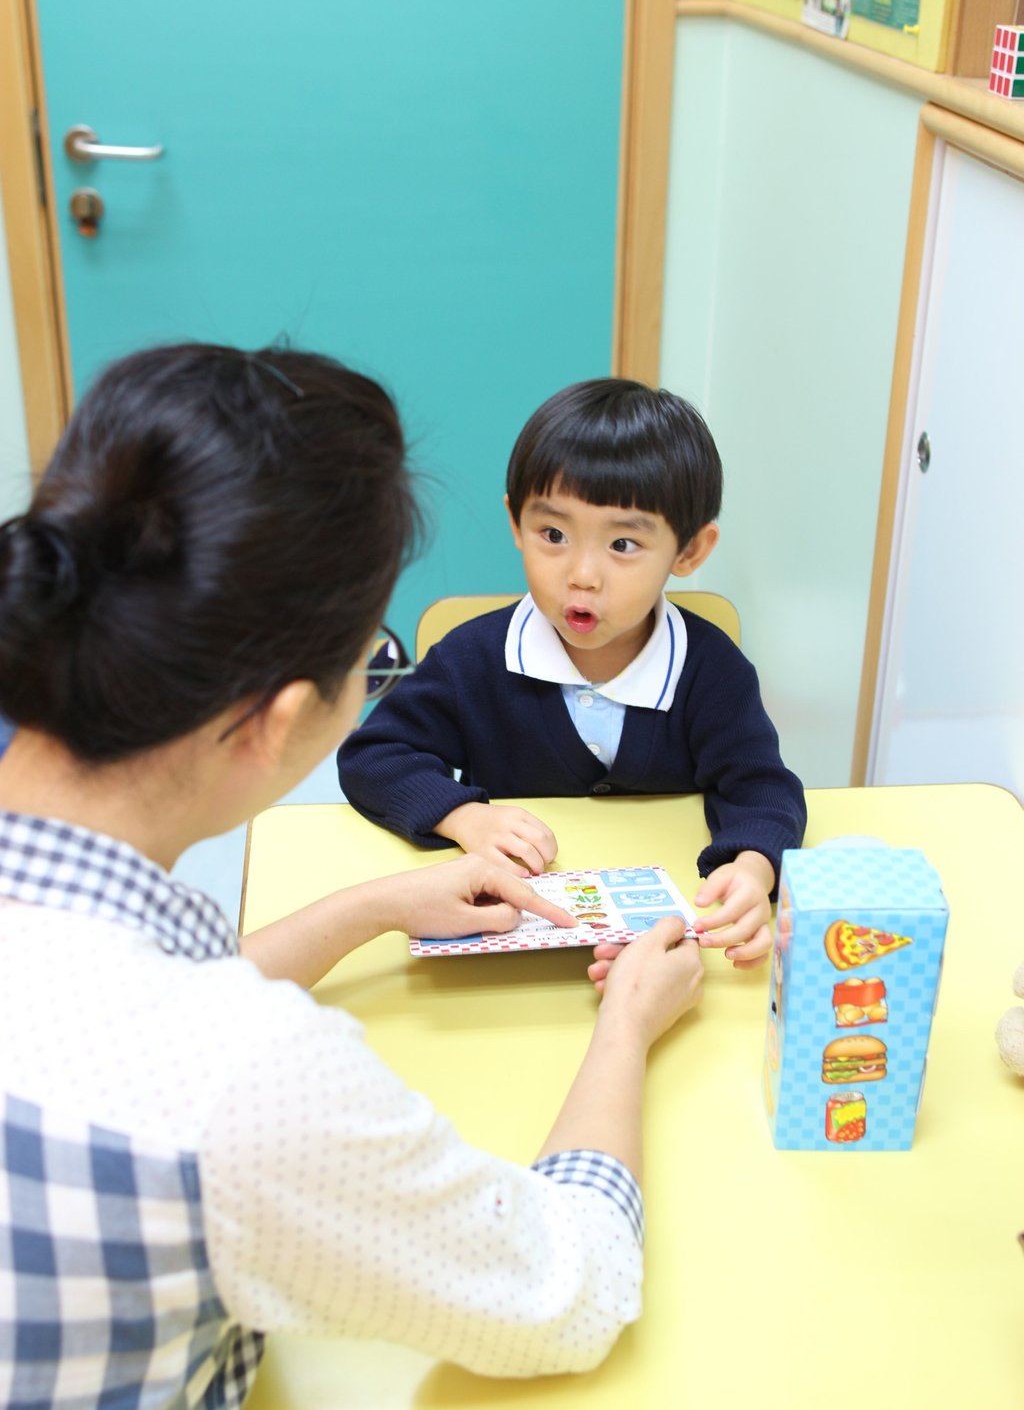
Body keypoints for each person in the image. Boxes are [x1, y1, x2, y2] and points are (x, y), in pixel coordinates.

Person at [0, 344, 704, 1405]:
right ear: (283, 717)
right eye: (370, 654)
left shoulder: (102, 977)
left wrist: (372, 906)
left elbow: (111, 1006)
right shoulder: (247, 1084)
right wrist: (627, 1025)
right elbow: (566, 1291)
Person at [338, 377, 806, 969]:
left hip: (659, 950)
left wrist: (754, 865)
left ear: (689, 551)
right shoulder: (472, 660)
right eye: (553, 534)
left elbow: (763, 786)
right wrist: (466, 817)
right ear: (516, 523)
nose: (582, 574)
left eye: (624, 545)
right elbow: (374, 755)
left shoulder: (711, 670)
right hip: (506, 943)